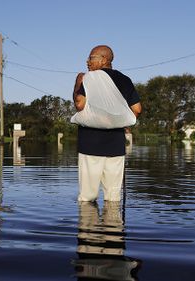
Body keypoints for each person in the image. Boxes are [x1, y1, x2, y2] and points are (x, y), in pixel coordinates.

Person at [73, 45, 142, 202]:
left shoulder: (87, 78)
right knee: (113, 197)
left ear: (103, 59)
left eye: (91, 58)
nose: (87, 62)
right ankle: (114, 225)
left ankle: (88, 224)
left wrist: (78, 83)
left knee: (87, 197)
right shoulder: (124, 80)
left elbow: (79, 104)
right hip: (116, 146)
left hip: (90, 144)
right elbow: (137, 109)